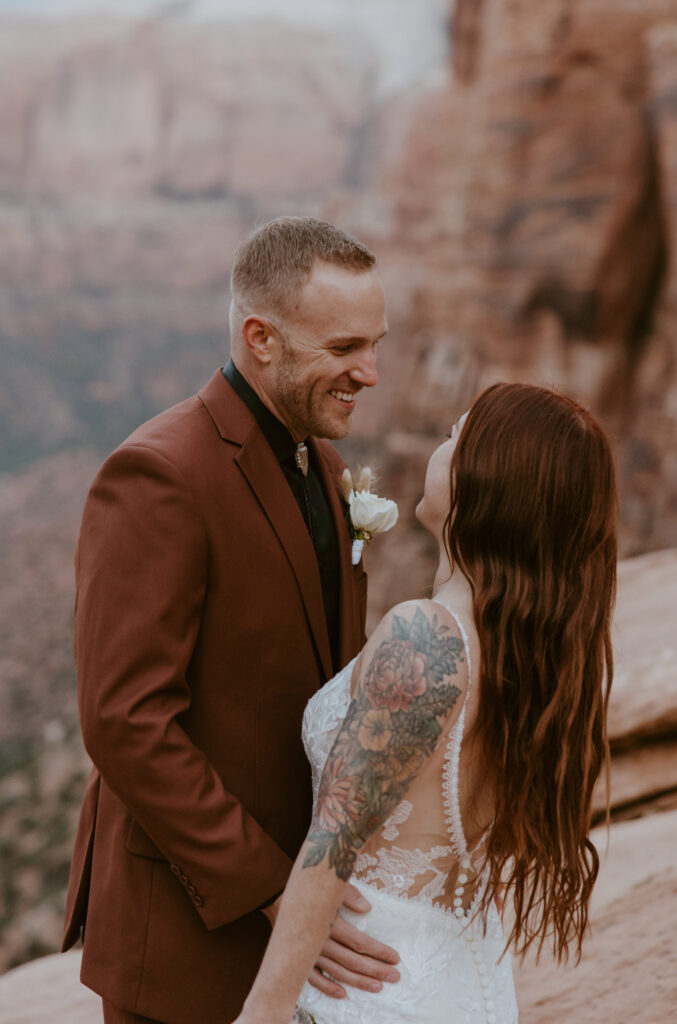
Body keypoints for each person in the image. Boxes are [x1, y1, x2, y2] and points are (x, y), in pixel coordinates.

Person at [62, 217, 402, 1024]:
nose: (372, 372)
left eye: (377, 343)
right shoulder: (159, 473)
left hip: (302, 926)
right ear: (261, 339)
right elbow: (124, 722)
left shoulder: (317, 460)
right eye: (345, 347)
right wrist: (276, 893)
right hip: (190, 937)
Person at [237, 382, 618, 1024]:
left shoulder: (427, 635)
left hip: (371, 993)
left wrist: (263, 1011)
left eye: (454, 437)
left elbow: (333, 842)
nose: (438, 448)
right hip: (461, 984)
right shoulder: (527, 654)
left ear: (485, 479)